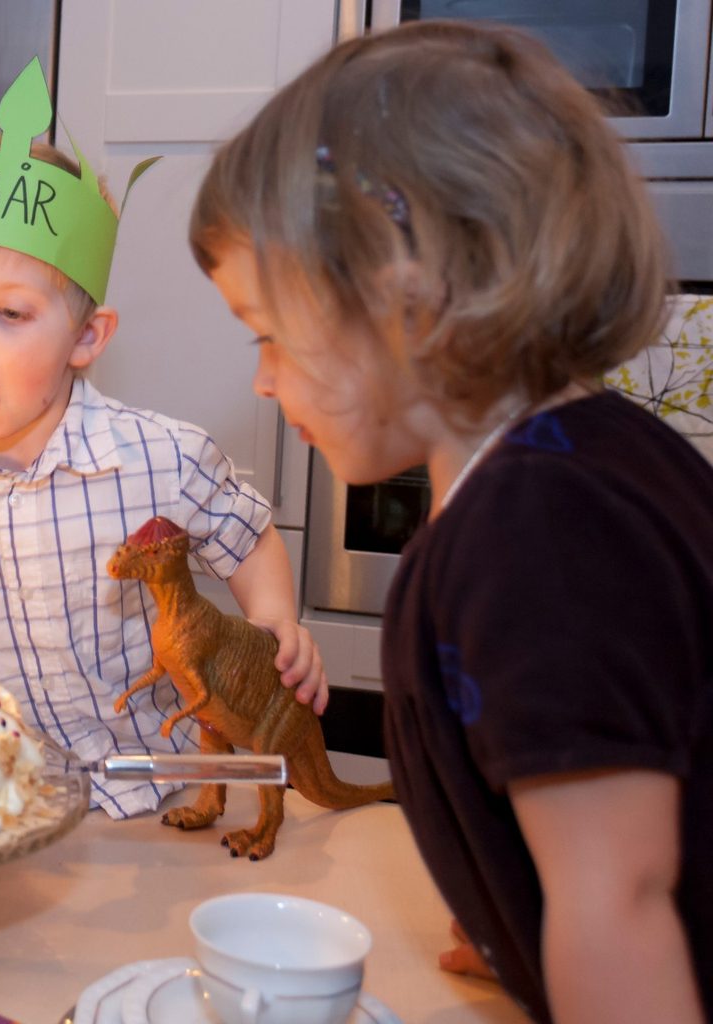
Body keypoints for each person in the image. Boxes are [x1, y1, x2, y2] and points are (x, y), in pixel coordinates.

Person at [188, 19, 712, 1024]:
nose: (260, 378)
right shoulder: (578, 464)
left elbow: (622, 897)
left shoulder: (538, 529)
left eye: (268, 334)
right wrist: (521, 919)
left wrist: (581, 935)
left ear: (401, 294)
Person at [0, 3, 327, 820]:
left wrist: (277, 629)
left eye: (11, 315)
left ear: (87, 337)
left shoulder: (163, 457)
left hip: (169, 805)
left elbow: (249, 534)